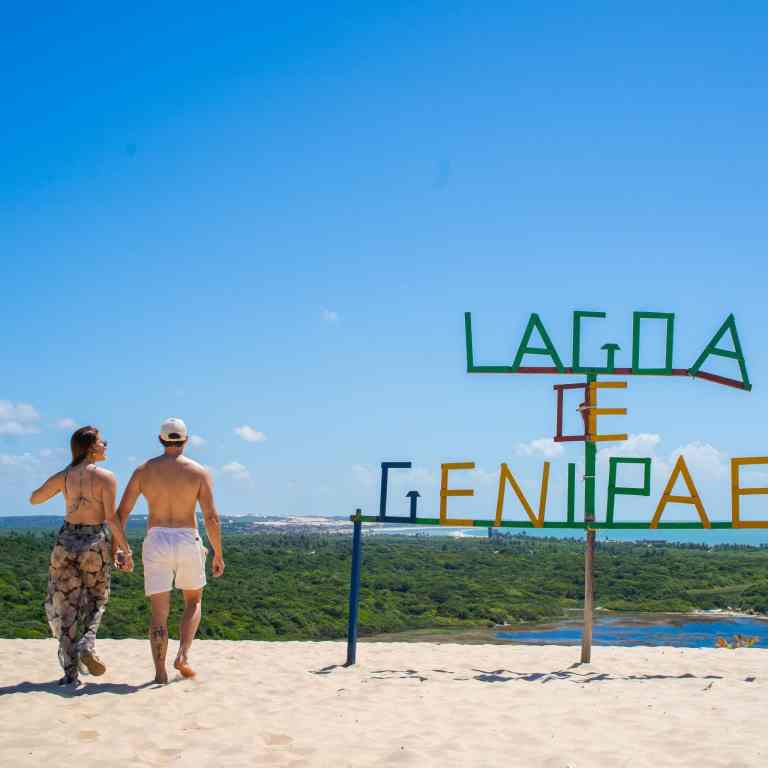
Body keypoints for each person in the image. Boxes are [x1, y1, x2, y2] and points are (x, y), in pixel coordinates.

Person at [117, 417, 224, 683]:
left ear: (160, 440)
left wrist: (121, 548)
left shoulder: (144, 471)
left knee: (158, 612)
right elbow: (211, 517)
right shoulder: (198, 472)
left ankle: (160, 672)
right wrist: (218, 553)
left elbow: (122, 513)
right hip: (187, 536)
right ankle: (183, 654)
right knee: (194, 600)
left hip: (156, 537)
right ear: (186, 440)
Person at [30, 426, 132, 686]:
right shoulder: (106, 477)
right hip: (93, 542)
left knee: (67, 606)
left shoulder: (64, 476)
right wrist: (125, 550)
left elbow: (34, 499)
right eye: (102, 442)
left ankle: (70, 673)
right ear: (91, 447)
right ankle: (87, 644)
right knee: (97, 599)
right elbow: (110, 518)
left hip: (65, 542)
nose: (106, 446)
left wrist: (63, 486)